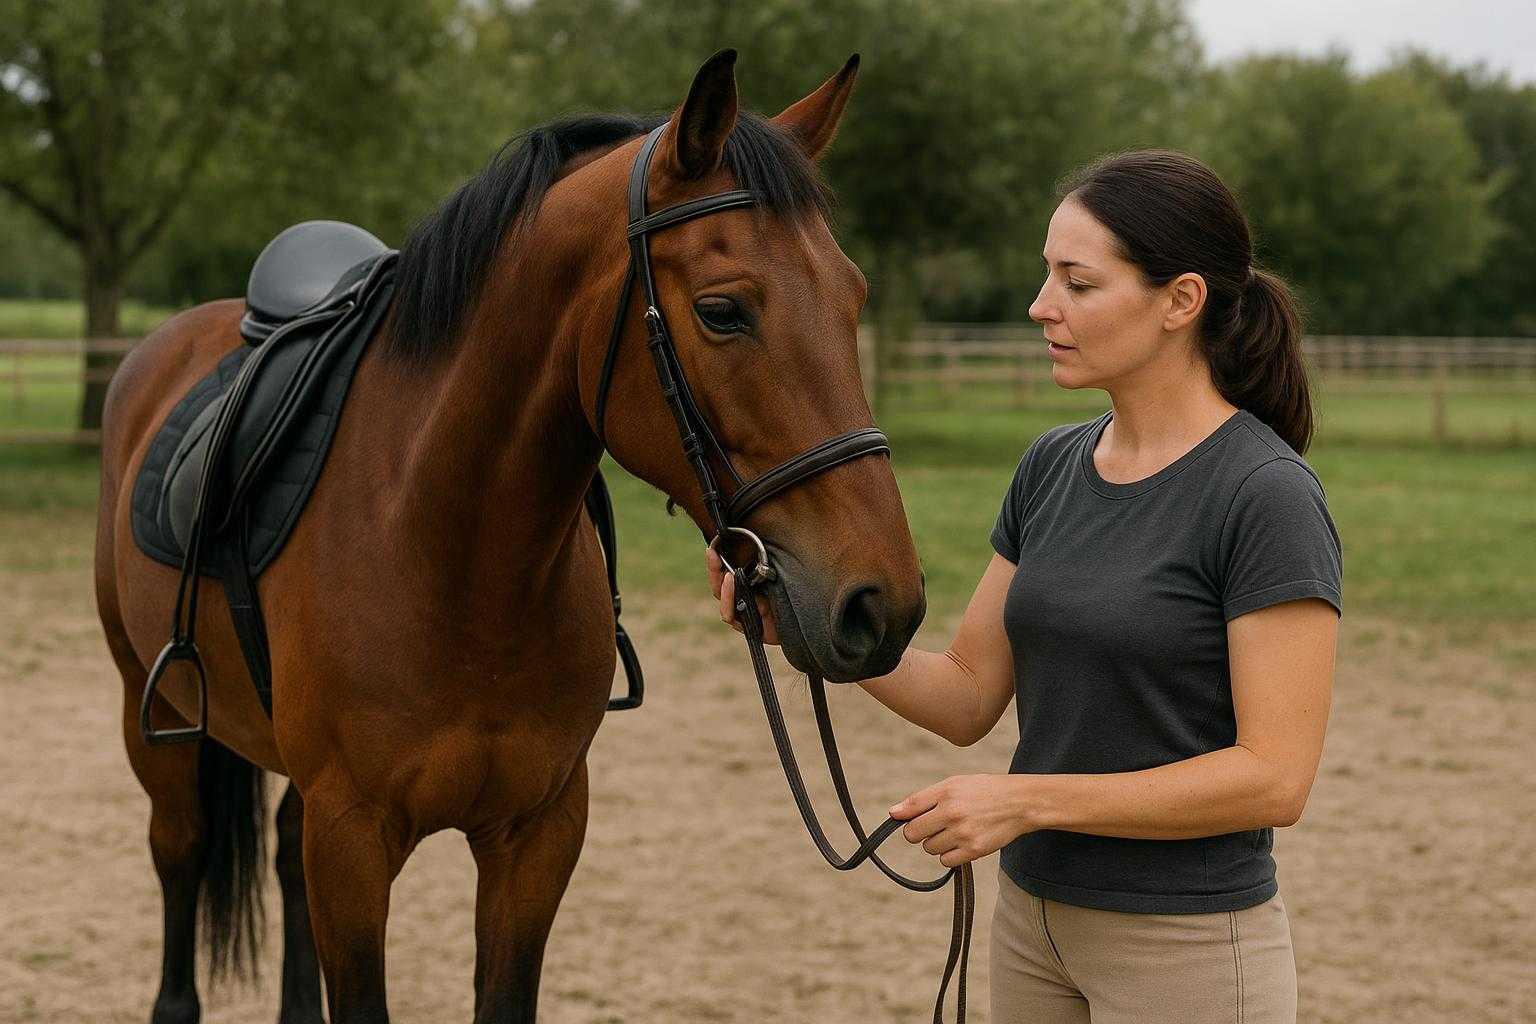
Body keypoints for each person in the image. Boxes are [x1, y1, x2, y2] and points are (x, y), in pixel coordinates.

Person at [706, 149, 1342, 1024]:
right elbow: (967, 693)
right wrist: (807, 627)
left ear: (1181, 301)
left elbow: (1274, 779)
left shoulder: (1264, 495)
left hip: (1186, 947)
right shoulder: (1051, 465)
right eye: (1048, 275)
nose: (1042, 305)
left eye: (1078, 283)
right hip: (1031, 928)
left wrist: (1025, 799)